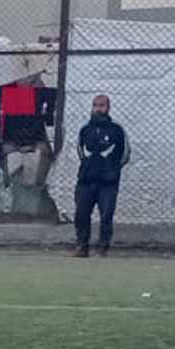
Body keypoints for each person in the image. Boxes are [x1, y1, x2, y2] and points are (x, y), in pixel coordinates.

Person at [72, 94, 128, 258]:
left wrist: (113, 170)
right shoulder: (85, 130)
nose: (98, 109)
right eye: (95, 105)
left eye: (102, 105)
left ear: (108, 107)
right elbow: (80, 151)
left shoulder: (117, 129)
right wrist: (89, 168)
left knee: (106, 215)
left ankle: (102, 248)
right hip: (85, 180)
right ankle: (82, 246)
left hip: (108, 183)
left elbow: (125, 153)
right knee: (81, 214)